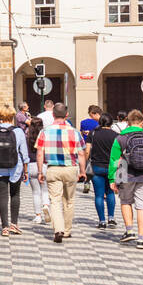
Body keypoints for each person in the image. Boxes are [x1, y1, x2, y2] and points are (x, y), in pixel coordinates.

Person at [108, 108, 143, 250]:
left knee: (126, 201)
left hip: (125, 174)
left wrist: (112, 179)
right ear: (141, 122)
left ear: (128, 122)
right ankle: (141, 239)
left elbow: (114, 160)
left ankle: (129, 231)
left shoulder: (120, 138)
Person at [36, 102, 86, 242]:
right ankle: (67, 230)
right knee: (69, 201)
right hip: (71, 168)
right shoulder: (75, 132)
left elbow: (40, 153)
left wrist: (40, 171)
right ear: (67, 115)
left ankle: (58, 229)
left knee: (55, 201)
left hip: (53, 169)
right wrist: (83, 171)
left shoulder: (45, 131)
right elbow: (81, 154)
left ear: (53, 115)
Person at [0, 105, 29, 236]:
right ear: (13, 116)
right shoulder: (18, 131)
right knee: (15, 195)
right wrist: (26, 172)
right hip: (15, 168)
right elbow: (24, 154)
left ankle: (4, 227)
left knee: (2, 197)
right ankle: (14, 225)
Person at [87, 112, 119, 228]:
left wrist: (85, 162)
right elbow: (118, 154)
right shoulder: (116, 135)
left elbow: (87, 150)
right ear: (111, 122)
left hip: (96, 167)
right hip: (111, 168)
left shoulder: (93, 133)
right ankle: (111, 218)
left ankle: (102, 221)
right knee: (110, 193)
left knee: (99, 195)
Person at [24, 116, 49, 223]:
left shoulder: (27, 136)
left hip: (32, 164)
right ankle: (46, 205)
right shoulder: (45, 135)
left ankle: (38, 215)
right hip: (44, 164)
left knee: (35, 192)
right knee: (45, 190)